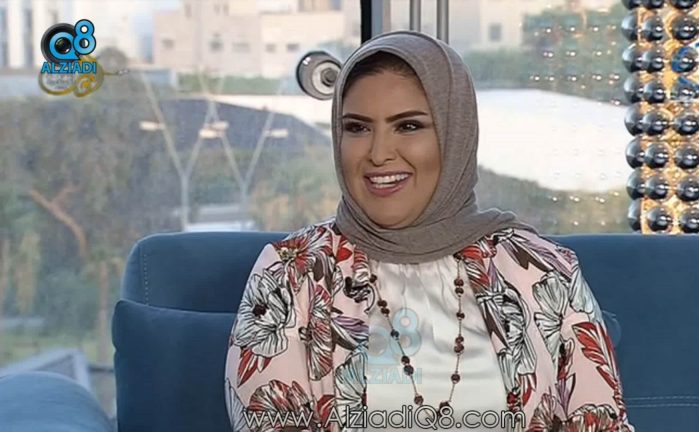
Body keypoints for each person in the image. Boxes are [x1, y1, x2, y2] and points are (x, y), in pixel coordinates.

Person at [224, 31, 634, 432]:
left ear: (456, 133)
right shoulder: (290, 273)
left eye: (408, 126)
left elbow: (599, 422)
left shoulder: (542, 269)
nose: (378, 153)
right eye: (358, 128)